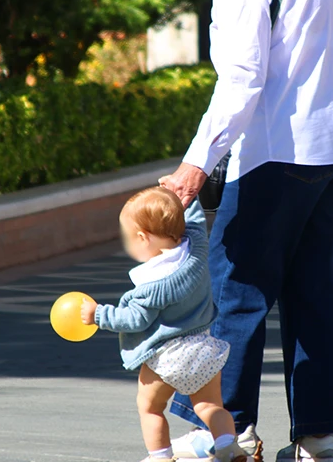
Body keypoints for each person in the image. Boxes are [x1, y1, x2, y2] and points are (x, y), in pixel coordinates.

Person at [145, 0, 333, 462]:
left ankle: (227, 432)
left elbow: (241, 79)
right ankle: (325, 438)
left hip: (278, 151)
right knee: (319, 295)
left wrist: (196, 165)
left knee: (235, 295)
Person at [80, 187, 247, 462]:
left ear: (143, 238)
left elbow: (133, 319)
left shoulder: (151, 286)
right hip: (203, 349)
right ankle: (229, 446)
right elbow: (193, 221)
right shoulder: (196, 251)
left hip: (166, 358)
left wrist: (98, 314)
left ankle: (160, 456)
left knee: (150, 408)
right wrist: (181, 193)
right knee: (210, 406)